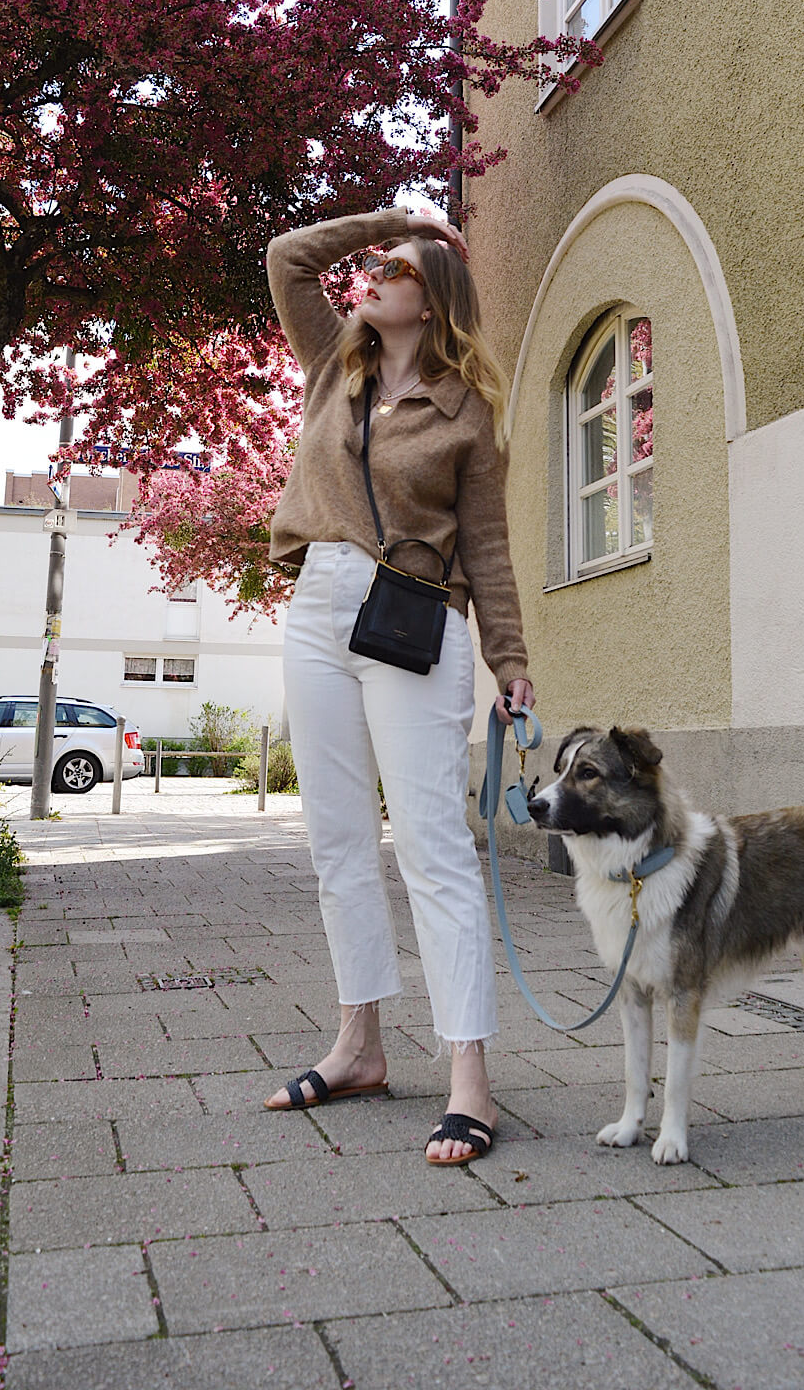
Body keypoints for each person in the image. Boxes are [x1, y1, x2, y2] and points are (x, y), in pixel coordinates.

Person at [263, 207, 534, 1164]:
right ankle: (360, 1045)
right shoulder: (334, 366)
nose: (371, 275)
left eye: (396, 268)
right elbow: (287, 256)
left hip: (417, 618)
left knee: (432, 846)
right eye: (373, 266)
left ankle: (470, 1080)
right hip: (319, 604)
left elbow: (491, 551)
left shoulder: (466, 412)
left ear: (435, 298)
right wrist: (393, 219)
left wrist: (511, 664)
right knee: (337, 836)